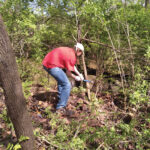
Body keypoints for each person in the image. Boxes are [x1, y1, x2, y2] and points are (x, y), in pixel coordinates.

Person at [42, 43, 84, 115]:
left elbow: (72, 66)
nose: (81, 54)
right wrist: (75, 77)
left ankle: (60, 98)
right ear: (78, 50)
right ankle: (60, 108)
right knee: (67, 85)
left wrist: (79, 74)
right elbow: (68, 73)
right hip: (51, 65)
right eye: (81, 52)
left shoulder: (70, 51)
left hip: (46, 62)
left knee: (62, 81)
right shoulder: (72, 56)